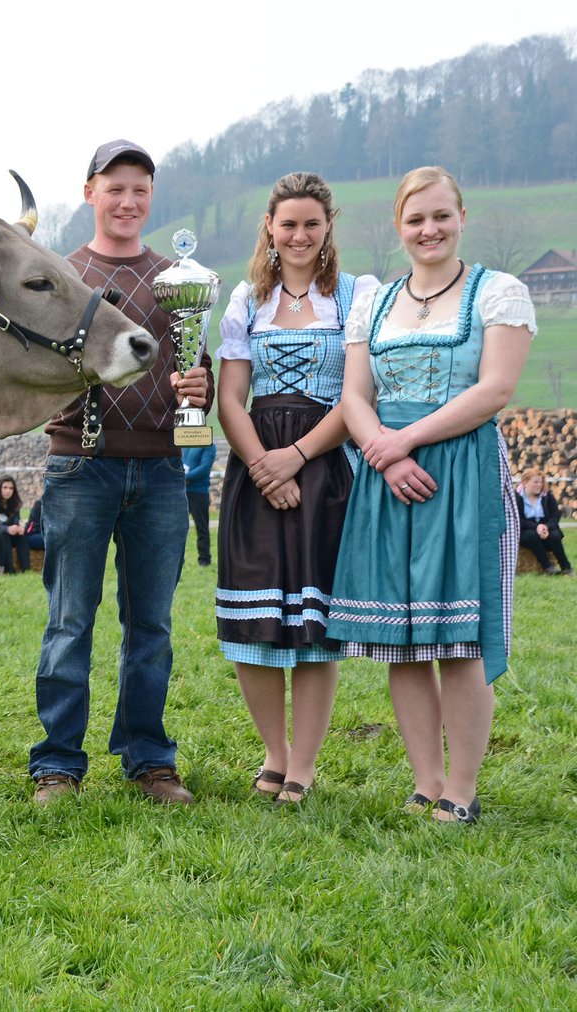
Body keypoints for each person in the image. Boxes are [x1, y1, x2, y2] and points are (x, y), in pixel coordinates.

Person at [327, 166, 535, 825]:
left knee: (459, 638)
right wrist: (382, 455)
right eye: (416, 219)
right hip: (391, 478)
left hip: (464, 472)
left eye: (441, 215)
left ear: (462, 217)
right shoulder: (375, 302)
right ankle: (426, 783)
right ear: (399, 227)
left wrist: (400, 441)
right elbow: (355, 397)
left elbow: (493, 390)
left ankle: (463, 792)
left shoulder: (498, 293)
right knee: (405, 642)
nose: (429, 229)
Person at [28, 139, 213, 805]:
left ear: (151, 198)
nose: (128, 201)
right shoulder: (60, 275)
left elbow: (202, 378)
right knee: (69, 621)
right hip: (80, 467)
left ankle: (149, 762)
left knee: (152, 628)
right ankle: (57, 764)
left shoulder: (177, 279)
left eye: (140, 189)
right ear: (90, 194)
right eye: (116, 188)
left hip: (161, 470)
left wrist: (199, 386)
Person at [214, 172, 381, 804]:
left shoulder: (355, 296)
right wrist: (263, 465)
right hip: (254, 467)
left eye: (312, 223)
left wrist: (297, 457)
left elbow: (356, 395)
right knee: (252, 621)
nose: (300, 234)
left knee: (313, 625)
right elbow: (232, 398)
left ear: (328, 226)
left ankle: (305, 766)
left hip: (325, 463)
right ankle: (274, 756)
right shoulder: (245, 300)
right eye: (289, 224)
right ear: (270, 228)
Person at [516, 469, 570, 574]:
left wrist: (546, 527)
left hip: (546, 526)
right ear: (525, 483)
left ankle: (566, 567)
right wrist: (536, 527)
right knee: (531, 536)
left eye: (540, 482)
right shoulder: (516, 498)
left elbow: (555, 515)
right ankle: (547, 567)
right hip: (527, 528)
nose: (539, 485)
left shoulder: (547, 496)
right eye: (535, 482)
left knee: (555, 535)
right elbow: (518, 519)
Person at [182, 443, 214, 567]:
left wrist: (185, 476)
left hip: (199, 492)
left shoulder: (208, 445)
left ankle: (204, 559)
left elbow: (205, 467)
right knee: (179, 529)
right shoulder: (184, 443)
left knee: (202, 528)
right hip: (183, 491)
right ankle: (179, 560)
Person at [0, 474, 31, 573]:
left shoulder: (15, 503)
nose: (8, 491)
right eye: (5, 487)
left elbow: (16, 521)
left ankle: (26, 569)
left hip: (11, 533)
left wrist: (19, 528)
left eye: (11, 488)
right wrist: (7, 529)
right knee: (4, 535)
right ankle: (9, 569)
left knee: (21, 537)